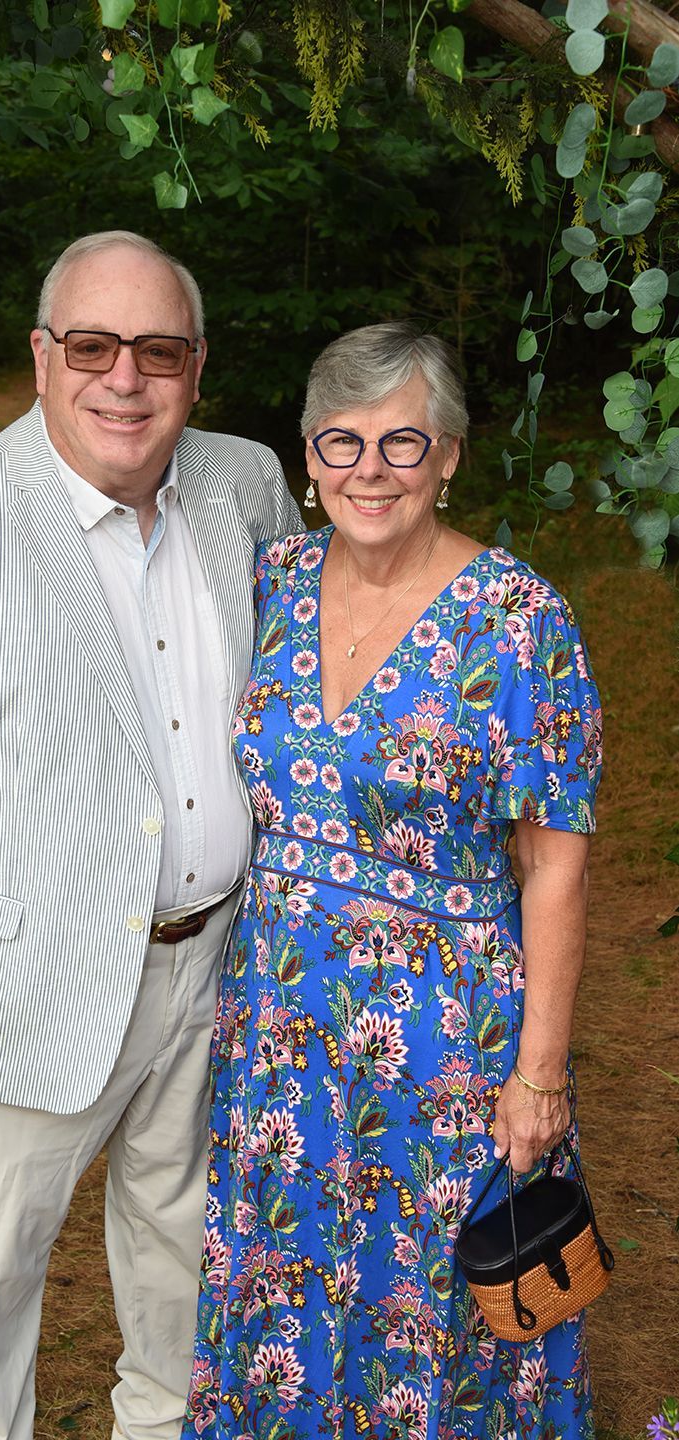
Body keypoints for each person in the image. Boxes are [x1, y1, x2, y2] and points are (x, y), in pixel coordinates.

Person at [0, 229, 301, 1440]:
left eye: (158, 350)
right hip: (16, 996)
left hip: (217, 961)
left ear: (199, 367)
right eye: (91, 345)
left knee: (183, 1243)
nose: (123, 379)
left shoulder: (245, 484)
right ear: (41, 358)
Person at [183, 321, 602, 1439]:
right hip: (278, 1030)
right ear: (309, 459)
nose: (370, 470)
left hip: (444, 1045)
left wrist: (540, 1077)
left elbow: (553, 870)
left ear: (451, 454)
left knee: (448, 1323)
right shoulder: (262, 587)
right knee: (284, 1285)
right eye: (342, 441)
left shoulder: (520, 622)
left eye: (403, 442)